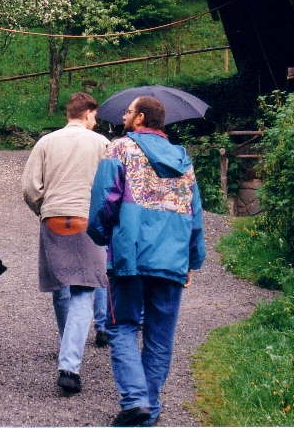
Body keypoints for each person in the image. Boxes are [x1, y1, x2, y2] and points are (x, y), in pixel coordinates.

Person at [87, 96, 205, 427]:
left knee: (122, 326)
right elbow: (195, 215)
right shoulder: (183, 159)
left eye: (128, 112)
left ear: (140, 118)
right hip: (172, 259)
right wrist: (191, 259)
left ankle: (136, 400)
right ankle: (147, 410)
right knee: (159, 336)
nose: (123, 116)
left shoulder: (119, 149)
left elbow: (104, 200)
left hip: (131, 255)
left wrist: (102, 235)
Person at [21, 92, 111, 394]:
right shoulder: (101, 143)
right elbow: (110, 186)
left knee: (61, 287)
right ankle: (69, 366)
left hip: (54, 219)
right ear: (86, 113)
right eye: (94, 116)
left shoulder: (45, 143)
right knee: (84, 291)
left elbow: (30, 187)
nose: (95, 121)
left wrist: (44, 209)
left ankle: (67, 344)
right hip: (87, 221)